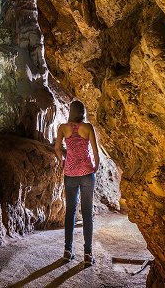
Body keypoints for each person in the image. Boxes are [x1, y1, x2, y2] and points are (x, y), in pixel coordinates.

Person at [55, 99, 100, 266]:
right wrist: (95, 166)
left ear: (70, 111)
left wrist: (62, 161)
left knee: (70, 212)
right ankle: (88, 254)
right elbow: (95, 151)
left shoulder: (63, 128)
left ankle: (67, 251)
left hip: (70, 174)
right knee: (87, 213)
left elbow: (58, 148)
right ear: (82, 112)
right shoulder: (87, 127)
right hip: (87, 173)